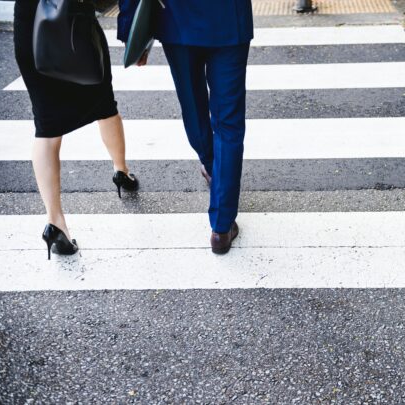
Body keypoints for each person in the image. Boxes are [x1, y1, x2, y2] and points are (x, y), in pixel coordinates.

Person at [118, 0, 253, 254]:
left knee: (193, 109)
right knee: (229, 122)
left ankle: (213, 168)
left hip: (177, 20)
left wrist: (129, 27)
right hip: (229, 19)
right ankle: (221, 228)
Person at [13, 0, 139, 260]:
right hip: (73, 25)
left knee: (46, 128)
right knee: (104, 104)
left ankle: (55, 221)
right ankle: (121, 171)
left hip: (32, 29)